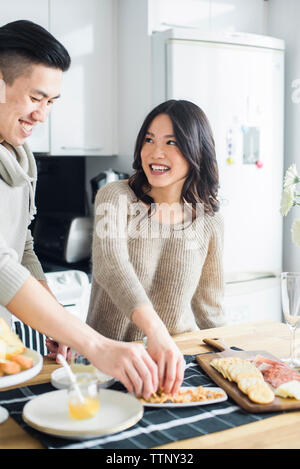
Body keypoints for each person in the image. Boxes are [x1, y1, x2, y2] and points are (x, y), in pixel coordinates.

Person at [0, 19, 158, 399]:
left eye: (51, 102)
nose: (42, 115)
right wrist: (96, 344)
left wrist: (58, 322)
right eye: (35, 98)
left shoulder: (18, 158)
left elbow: (19, 250)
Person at [86, 99, 226, 395]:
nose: (155, 152)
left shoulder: (209, 221)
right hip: (106, 365)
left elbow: (209, 306)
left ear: (196, 150)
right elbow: (111, 266)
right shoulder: (115, 197)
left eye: (171, 142)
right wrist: (156, 332)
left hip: (173, 365)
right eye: (149, 140)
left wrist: (228, 360)